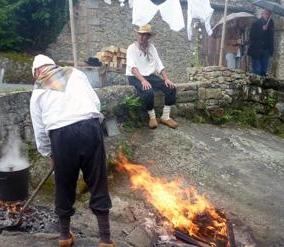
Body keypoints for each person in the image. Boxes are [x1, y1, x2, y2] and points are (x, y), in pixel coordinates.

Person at [30, 55, 114, 247]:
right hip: (89, 126)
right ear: (52, 65)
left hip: (61, 135)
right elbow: (96, 102)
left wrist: (49, 154)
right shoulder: (76, 73)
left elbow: (40, 129)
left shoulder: (37, 91)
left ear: (37, 72)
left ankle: (65, 236)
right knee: (97, 180)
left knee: (64, 184)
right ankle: (105, 239)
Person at [126, 24, 178, 129]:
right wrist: (143, 81)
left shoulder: (151, 47)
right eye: (140, 34)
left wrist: (166, 79)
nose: (141, 37)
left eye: (144, 35)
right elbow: (133, 68)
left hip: (149, 75)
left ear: (148, 37)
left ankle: (165, 117)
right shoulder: (131, 48)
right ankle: (152, 117)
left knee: (171, 88)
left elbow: (159, 64)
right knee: (148, 91)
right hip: (134, 76)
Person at [248, 9, 274, 76]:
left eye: (268, 14)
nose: (266, 15)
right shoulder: (256, 23)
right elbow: (252, 36)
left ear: (270, 15)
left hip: (266, 49)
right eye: (265, 13)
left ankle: (263, 85)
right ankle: (256, 85)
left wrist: (271, 49)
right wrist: (261, 30)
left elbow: (271, 37)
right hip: (256, 49)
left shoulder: (271, 23)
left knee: (263, 71)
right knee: (257, 70)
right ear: (262, 14)